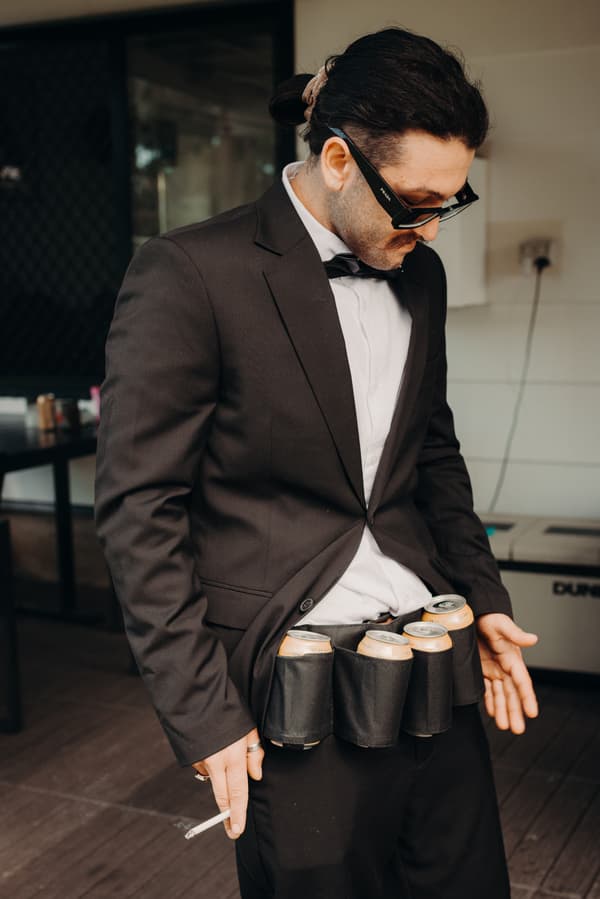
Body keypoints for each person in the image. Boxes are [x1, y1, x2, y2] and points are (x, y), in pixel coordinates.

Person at [95, 26, 539, 899]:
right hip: (291, 682)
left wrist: (484, 596)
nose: (431, 228)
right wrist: (203, 712)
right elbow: (140, 509)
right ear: (338, 159)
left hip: (433, 659)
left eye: (451, 201)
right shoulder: (188, 272)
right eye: (414, 203)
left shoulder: (422, 276)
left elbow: (434, 453)